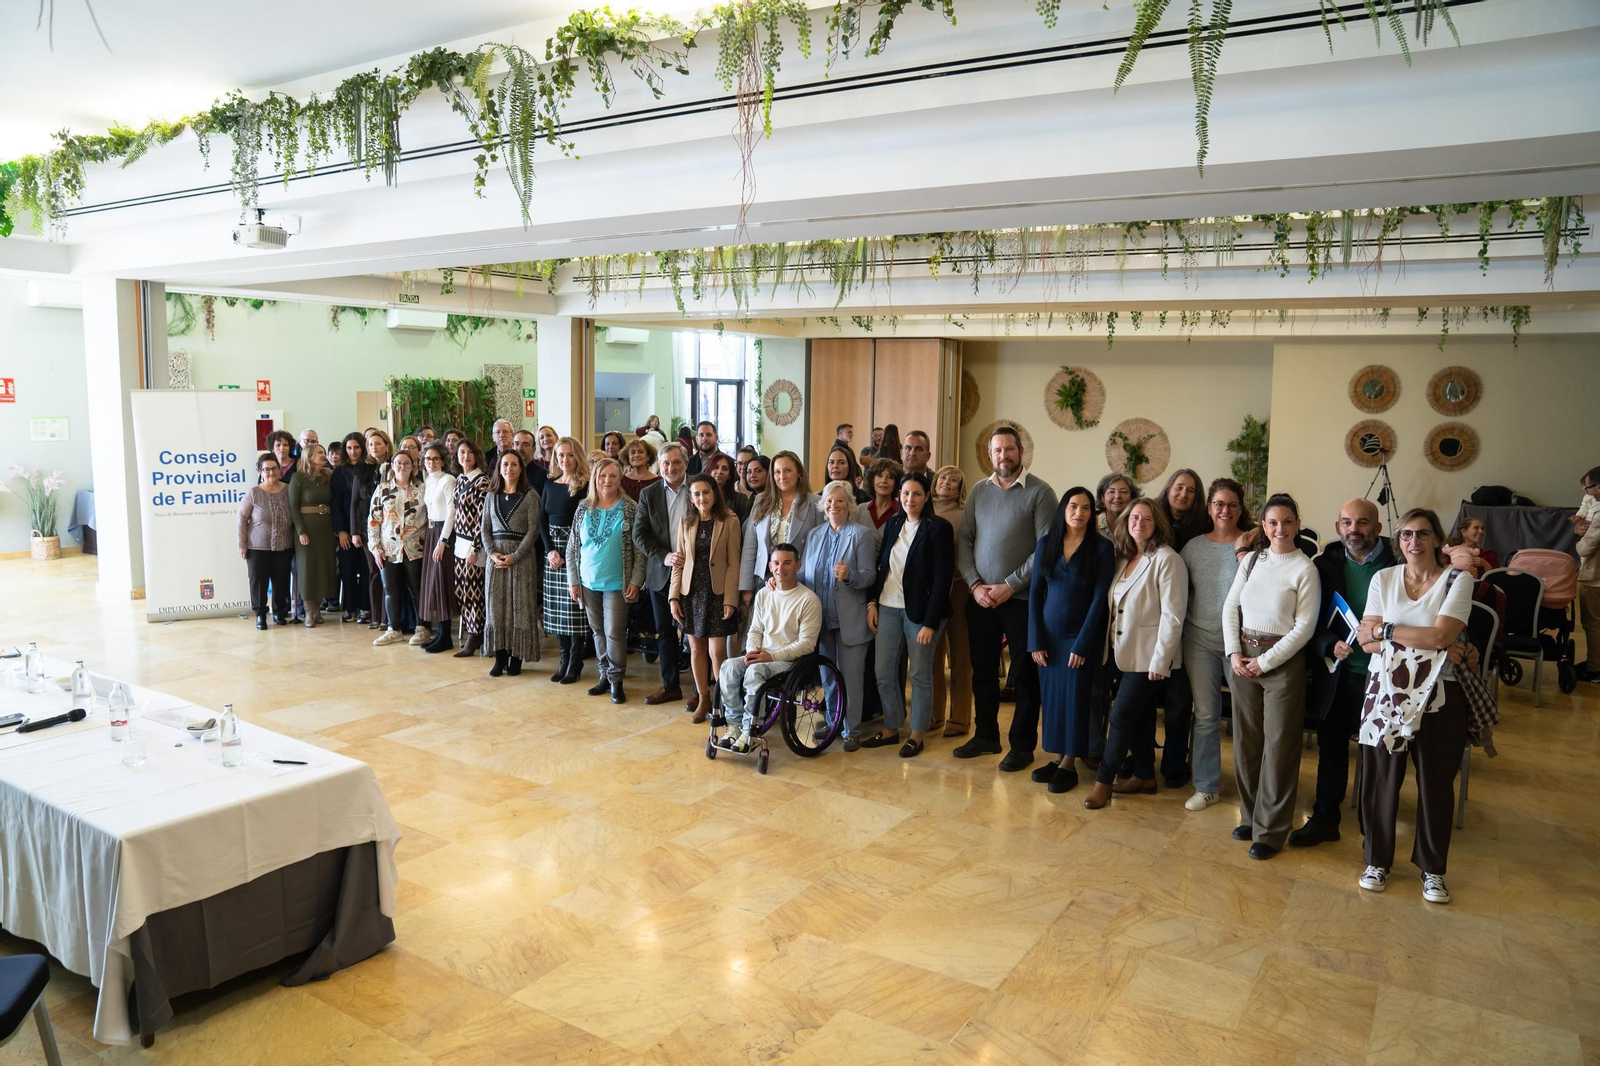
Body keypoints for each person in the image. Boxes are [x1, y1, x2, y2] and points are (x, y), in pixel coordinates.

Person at [1354, 508, 1475, 904]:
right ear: (1397, 540)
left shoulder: (1458, 579)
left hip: (1440, 695)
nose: (1413, 542)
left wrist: (1387, 630)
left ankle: (1433, 871)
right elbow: (1364, 642)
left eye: (1423, 534)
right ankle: (1377, 861)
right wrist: (1425, 641)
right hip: (1385, 691)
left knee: (1436, 784)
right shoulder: (1383, 578)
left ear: (1438, 539)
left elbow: (1442, 633)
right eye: (1406, 534)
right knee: (1379, 781)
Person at [1289, 497, 1395, 846]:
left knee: (1376, 754)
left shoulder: (1398, 564)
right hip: (1336, 673)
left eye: (1362, 523)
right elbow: (1310, 621)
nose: (1354, 529)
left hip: (1383, 676)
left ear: (1378, 528)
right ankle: (1325, 819)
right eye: (1347, 522)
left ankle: (1372, 828)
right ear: (1338, 528)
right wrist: (1327, 643)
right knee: (1331, 748)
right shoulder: (1324, 565)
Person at [1223, 494, 1319, 860]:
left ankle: (1272, 829)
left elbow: (1304, 628)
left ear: (1297, 524)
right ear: (1263, 526)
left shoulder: (1304, 569)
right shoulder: (1251, 563)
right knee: (1247, 742)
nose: (1280, 529)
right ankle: (1250, 816)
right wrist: (1235, 652)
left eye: (1287, 522)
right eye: (1272, 522)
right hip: (1242, 657)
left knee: (1279, 746)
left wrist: (1265, 663)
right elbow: (1231, 606)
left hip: (1281, 663)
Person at [954, 426, 1057, 769]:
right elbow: (965, 541)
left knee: (1025, 676)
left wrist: (1009, 586)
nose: (1003, 456)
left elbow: (1045, 550)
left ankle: (1023, 746)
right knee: (982, 670)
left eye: (1009, 449)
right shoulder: (979, 492)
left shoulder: (1040, 493)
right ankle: (986, 736)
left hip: (1022, 601)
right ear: (990, 455)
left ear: (1021, 451)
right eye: (997, 451)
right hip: (980, 598)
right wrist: (974, 585)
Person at [1084, 498, 1187, 809]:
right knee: (1140, 716)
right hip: (1120, 651)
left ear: (1157, 525)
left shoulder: (1167, 559)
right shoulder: (1124, 558)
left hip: (1150, 657)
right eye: (1134, 518)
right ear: (1126, 522)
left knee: (1120, 715)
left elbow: (1173, 615)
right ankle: (1144, 774)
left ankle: (1104, 782)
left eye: (1146, 519)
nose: (1139, 523)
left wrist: (1161, 660)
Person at [1026, 486, 1114, 793]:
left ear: (1092, 514)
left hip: (1078, 636)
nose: (1079, 513)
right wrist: (1035, 639)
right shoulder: (1046, 543)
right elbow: (1036, 593)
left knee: (1076, 698)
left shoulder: (1101, 548)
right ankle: (1057, 755)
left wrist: (1084, 643)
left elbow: (1100, 599)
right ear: (1063, 510)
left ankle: (1069, 763)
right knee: (1052, 699)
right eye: (1073, 506)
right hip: (1047, 636)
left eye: (1086, 508)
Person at [866, 472, 955, 757]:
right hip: (888, 607)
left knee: (919, 674)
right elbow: (882, 567)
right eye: (905, 493)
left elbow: (943, 579)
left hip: (921, 614)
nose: (910, 499)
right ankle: (892, 726)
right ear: (899, 496)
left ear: (927, 496)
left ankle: (917, 733)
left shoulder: (938, 528)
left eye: (916, 493)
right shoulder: (893, 524)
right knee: (883, 671)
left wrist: (930, 623)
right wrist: (872, 602)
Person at [1177, 478, 1253, 812]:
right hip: (1200, 641)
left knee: (1245, 716)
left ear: (1241, 509)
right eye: (1219, 504)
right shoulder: (1193, 547)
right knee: (1206, 716)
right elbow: (1178, 592)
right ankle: (1207, 786)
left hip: (1242, 645)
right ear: (1209, 508)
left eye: (1232, 504)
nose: (1225, 510)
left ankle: (1252, 787)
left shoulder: (1254, 545)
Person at [718, 543, 823, 751]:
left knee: (755, 671)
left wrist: (770, 657)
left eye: (787, 563)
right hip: (763, 654)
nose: (780, 568)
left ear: (798, 565)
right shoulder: (764, 594)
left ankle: (750, 729)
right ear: (770, 565)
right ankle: (734, 726)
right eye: (776, 563)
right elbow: (755, 629)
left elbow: (806, 645)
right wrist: (752, 651)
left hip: (789, 660)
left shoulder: (809, 600)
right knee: (728, 667)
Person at [798, 481, 878, 751]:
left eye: (840, 501)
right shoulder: (815, 535)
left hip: (851, 620)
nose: (834, 505)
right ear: (823, 506)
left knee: (852, 678)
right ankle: (833, 724)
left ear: (849, 505)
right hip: (821, 621)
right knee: (827, 676)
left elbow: (870, 576)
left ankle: (852, 731)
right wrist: (781, 578)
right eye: (829, 501)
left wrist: (849, 575)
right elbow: (805, 574)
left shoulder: (861, 534)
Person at [565, 458, 645, 703]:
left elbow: (639, 550)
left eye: (612, 476)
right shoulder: (583, 508)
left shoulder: (630, 508)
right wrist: (573, 581)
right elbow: (572, 548)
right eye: (602, 476)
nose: (607, 481)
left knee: (614, 632)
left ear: (620, 478)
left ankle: (616, 681)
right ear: (595, 479)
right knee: (598, 631)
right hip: (588, 581)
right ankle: (603, 675)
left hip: (617, 583)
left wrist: (635, 580)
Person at [670, 474, 742, 723]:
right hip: (691, 594)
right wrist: (673, 597)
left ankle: (723, 703)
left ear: (714, 493)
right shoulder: (685, 522)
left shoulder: (729, 521)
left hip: (717, 594)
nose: (702, 498)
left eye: (706, 493)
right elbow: (679, 563)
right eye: (697, 494)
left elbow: (734, 564)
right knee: (696, 649)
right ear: (691, 498)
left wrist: (730, 599)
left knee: (717, 651)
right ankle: (703, 698)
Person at [633, 442, 692, 706]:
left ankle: (704, 692)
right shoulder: (649, 493)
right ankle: (671, 686)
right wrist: (663, 556)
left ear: (686, 463)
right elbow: (639, 534)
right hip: (661, 573)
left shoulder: (698, 489)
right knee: (664, 632)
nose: (671, 468)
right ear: (660, 465)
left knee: (696, 634)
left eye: (676, 462)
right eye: (666, 463)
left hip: (694, 573)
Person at [482, 449, 543, 676]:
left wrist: (515, 556)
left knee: (520, 607)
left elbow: (533, 531)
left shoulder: (530, 496)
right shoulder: (491, 496)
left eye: (514, 464)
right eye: (505, 464)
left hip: (521, 559)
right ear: (499, 468)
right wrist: (491, 553)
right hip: (495, 559)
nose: (509, 468)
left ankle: (516, 657)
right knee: (496, 608)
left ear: (521, 468)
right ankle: (499, 657)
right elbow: (484, 529)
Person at [741, 451, 821, 607]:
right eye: (777, 471)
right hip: (764, 578)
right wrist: (746, 587)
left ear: (799, 473)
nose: (782, 476)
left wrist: (795, 577)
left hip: (798, 579)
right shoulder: (761, 501)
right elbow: (750, 546)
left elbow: (818, 550)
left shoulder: (815, 504)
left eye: (788, 470)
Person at [541, 437, 591, 683]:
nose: (565, 459)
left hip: (576, 551)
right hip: (553, 554)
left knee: (573, 610)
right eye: (560, 455)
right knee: (556, 611)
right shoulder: (550, 484)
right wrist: (550, 550)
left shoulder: (586, 485)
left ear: (577, 456)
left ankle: (576, 660)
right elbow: (542, 520)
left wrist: (570, 551)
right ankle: (563, 658)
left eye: (570, 455)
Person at [368, 450, 429, 647]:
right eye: (398, 463)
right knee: (390, 590)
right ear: (392, 466)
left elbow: (430, 519)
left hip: (415, 548)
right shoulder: (383, 489)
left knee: (417, 590)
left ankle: (422, 627)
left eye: (406, 463)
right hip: (389, 549)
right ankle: (393, 629)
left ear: (413, 467)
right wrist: (376, 548)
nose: (402, 467)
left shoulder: (423, 489)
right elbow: (374, 520)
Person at [931, 465, 972, 737]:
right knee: (931, 658)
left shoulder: (967, 514)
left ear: (960, 487)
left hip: (959, 589)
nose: (947, 482)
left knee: (960, 658)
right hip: (929, 593)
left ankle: (959, 719)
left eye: (954, 479)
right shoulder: (922, 507)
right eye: (943, 477)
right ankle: (933, 714)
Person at [238, 453, 294, 628]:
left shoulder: (289, 489)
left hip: (284, 545)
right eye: (267, 469)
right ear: (260, 472)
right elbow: (241, 518)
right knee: (258, 581)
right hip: (257, 547)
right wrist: (242, 544)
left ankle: (279, 613)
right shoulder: (254, 493)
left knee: (281, 580)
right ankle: (260, 614)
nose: (271, 472)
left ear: (279, 469)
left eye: (274, 468)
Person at [288, 443, 338, 628]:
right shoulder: (298, 478)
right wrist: (301, 531)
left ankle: (317, 609)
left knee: (323, 568)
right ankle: (308, 610)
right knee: (307, 569)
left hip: (326, 528)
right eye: (319, 452)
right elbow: (293, 507)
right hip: (307, 529)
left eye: (324, 452)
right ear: (309, 456)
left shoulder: (327, 477)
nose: (323, 455)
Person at [451, 439, 491, 658]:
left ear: (476, 455)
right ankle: (471, 631)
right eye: (461, 452)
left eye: (469, 452)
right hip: (459, 542)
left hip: (475, 545)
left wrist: (475, 548)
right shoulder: (459, 480)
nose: (465, 456)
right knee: (461, 591)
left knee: (473, 591)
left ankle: (476, 635)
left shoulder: (482, 482)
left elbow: (482, 519)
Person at [418, 442, 459, 653]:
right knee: (432, 583)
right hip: (432, 531)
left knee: (442, 582)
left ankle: (446, 636)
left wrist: (443, 541)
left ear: (443, 460)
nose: (431, 462)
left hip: (444, 534)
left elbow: (452, 512)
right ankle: (439, 634)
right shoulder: (428, 480)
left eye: (435, 459)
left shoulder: (448, 480)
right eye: (427, 459)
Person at [331, 433, 372, 623]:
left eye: (356, 447)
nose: (353, 451)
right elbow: (336, 504)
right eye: (349, 448)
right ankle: (350, 608)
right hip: (346, 529)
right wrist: (341, 531)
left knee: (366, 570)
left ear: (363, 448)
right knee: (347, 570)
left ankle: (365, 608)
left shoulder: (370, 469)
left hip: (366, 528)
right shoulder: (339, 473)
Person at [358, 430, 393, 627]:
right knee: (374, 571)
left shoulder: (396, 465)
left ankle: (389, 618)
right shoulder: (362, 469)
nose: (374, 448)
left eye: (378, 443)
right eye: (370, 444)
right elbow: (355, 502)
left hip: (392, 528)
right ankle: (376, 616)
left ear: (386, 445)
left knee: (390, 573)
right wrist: (355, 531)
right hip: (368, 530)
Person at [1576, 469, 1600, 683]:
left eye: (1588, 487)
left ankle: (1594, 669)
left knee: (1593, 625)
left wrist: (1579, 537)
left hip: (1594, 577)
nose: (1587, 492)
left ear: (1598, 487)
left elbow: (1585, 549)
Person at [855, 457, 903, 551]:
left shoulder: (901, 512)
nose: (884, 480)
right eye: (880, 475)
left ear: (896, 484)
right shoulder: (860, 510)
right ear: (872, 480)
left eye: (890, 477)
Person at [706, 452, 750, 521]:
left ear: (729, 475)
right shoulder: (701, 497)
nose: (719, 472)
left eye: (724, 469)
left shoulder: (740, 500)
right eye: (716, 467)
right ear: (709, 470)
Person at [1096, 473, 1134, 537]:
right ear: (1102, 498)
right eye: (1111, 491)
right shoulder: (1091, 523)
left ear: (1131, 497)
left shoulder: (1137, 523)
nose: (1117, 496)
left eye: (1123, 492)